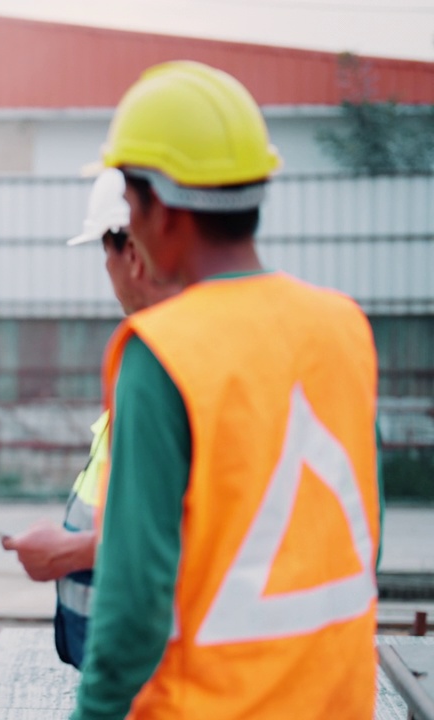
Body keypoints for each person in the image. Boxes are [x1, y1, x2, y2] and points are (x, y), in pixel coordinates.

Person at [74, 61, 382, 719]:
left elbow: (133, 601)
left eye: (128, 202)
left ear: (158, 204)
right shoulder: (344, 325)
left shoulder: (161, 351)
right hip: (339, 701)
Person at [0, 168, 179, 669]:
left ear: (132, 249)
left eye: (104, 248)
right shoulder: (155, 350)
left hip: (144, 661)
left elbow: (186, 536)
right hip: (121, 649)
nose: (106, 267)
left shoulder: (163, 358)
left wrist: (69, 551)